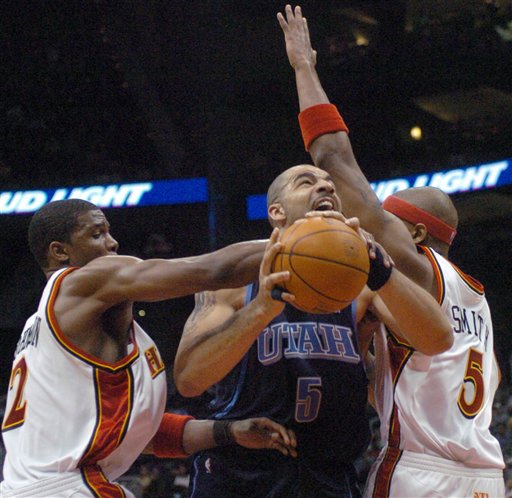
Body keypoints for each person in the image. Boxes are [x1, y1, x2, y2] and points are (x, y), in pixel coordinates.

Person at [278, 4, 506, 497]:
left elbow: (334, 157)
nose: (367, 224)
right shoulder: (478, 299)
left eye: (388, 222)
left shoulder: (415, 267)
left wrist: (304, 67)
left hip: (422, 472)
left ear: (416, 237)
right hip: (486, 476)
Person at [173, 160, 452, 497]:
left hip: (329, 472)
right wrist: (260, 310)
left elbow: (437, 340)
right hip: (241, 472)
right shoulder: (235, 278)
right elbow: (189, 379)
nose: (326, 187)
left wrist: (384, 272)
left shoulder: (362, 276)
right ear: (276, 212)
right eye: (306, 182)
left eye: (329, 183)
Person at [0, 198, 298, 498]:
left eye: (108, 232)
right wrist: (305, 240)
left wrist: (229, 432)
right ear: (60, 251)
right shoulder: (82, 282)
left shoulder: (38, 330)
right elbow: (212, 271)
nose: (112, 243)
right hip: (67, 489)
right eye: (96, 234)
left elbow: (142, 436)